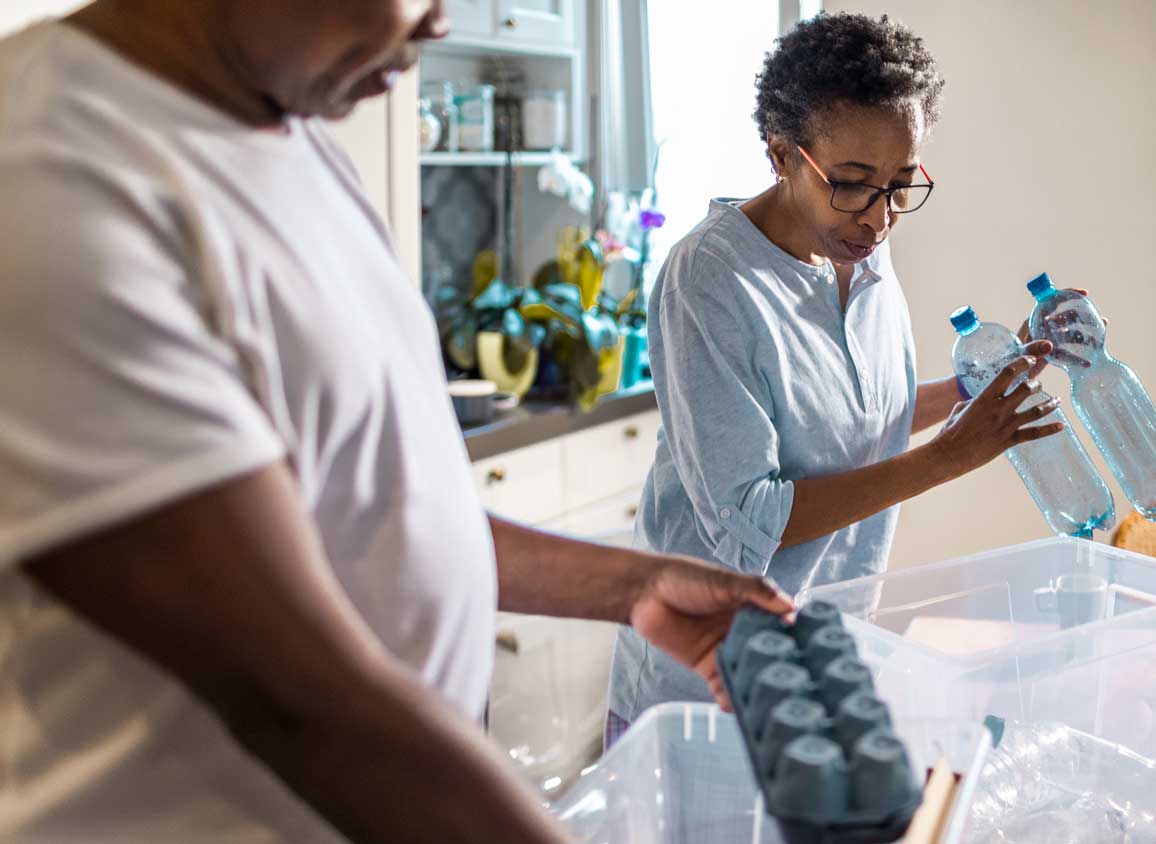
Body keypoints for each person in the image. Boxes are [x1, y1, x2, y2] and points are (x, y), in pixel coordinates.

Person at [0, 2, 792, 842]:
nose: (439, 23)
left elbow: (374, 513)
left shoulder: (286, 133)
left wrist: (632, 587)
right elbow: (297, 697)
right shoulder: (51, 175)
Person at [608, 12, 1067, 739]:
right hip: (708, 687)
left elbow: (852, 420)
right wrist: (951, 456)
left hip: (827, 661)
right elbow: (749, 520)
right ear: (781, 154)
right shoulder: (709, 280)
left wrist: (977, 393)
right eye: (852, 184)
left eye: (899, 185)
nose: (880, 219)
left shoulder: (861, 254)